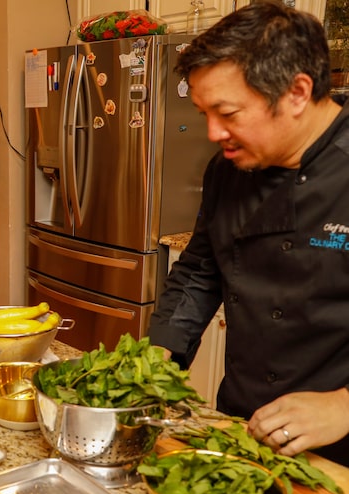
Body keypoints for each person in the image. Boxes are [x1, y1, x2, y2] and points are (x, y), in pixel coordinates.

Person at [147, 1, 349, 465]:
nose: (214, 133)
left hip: (337, 453)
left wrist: (344, 405)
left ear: (297, 92)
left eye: (228, 113)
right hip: (243, 425)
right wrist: (161, 355)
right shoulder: (228, 170)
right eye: (204, 114)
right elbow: (200, 269)